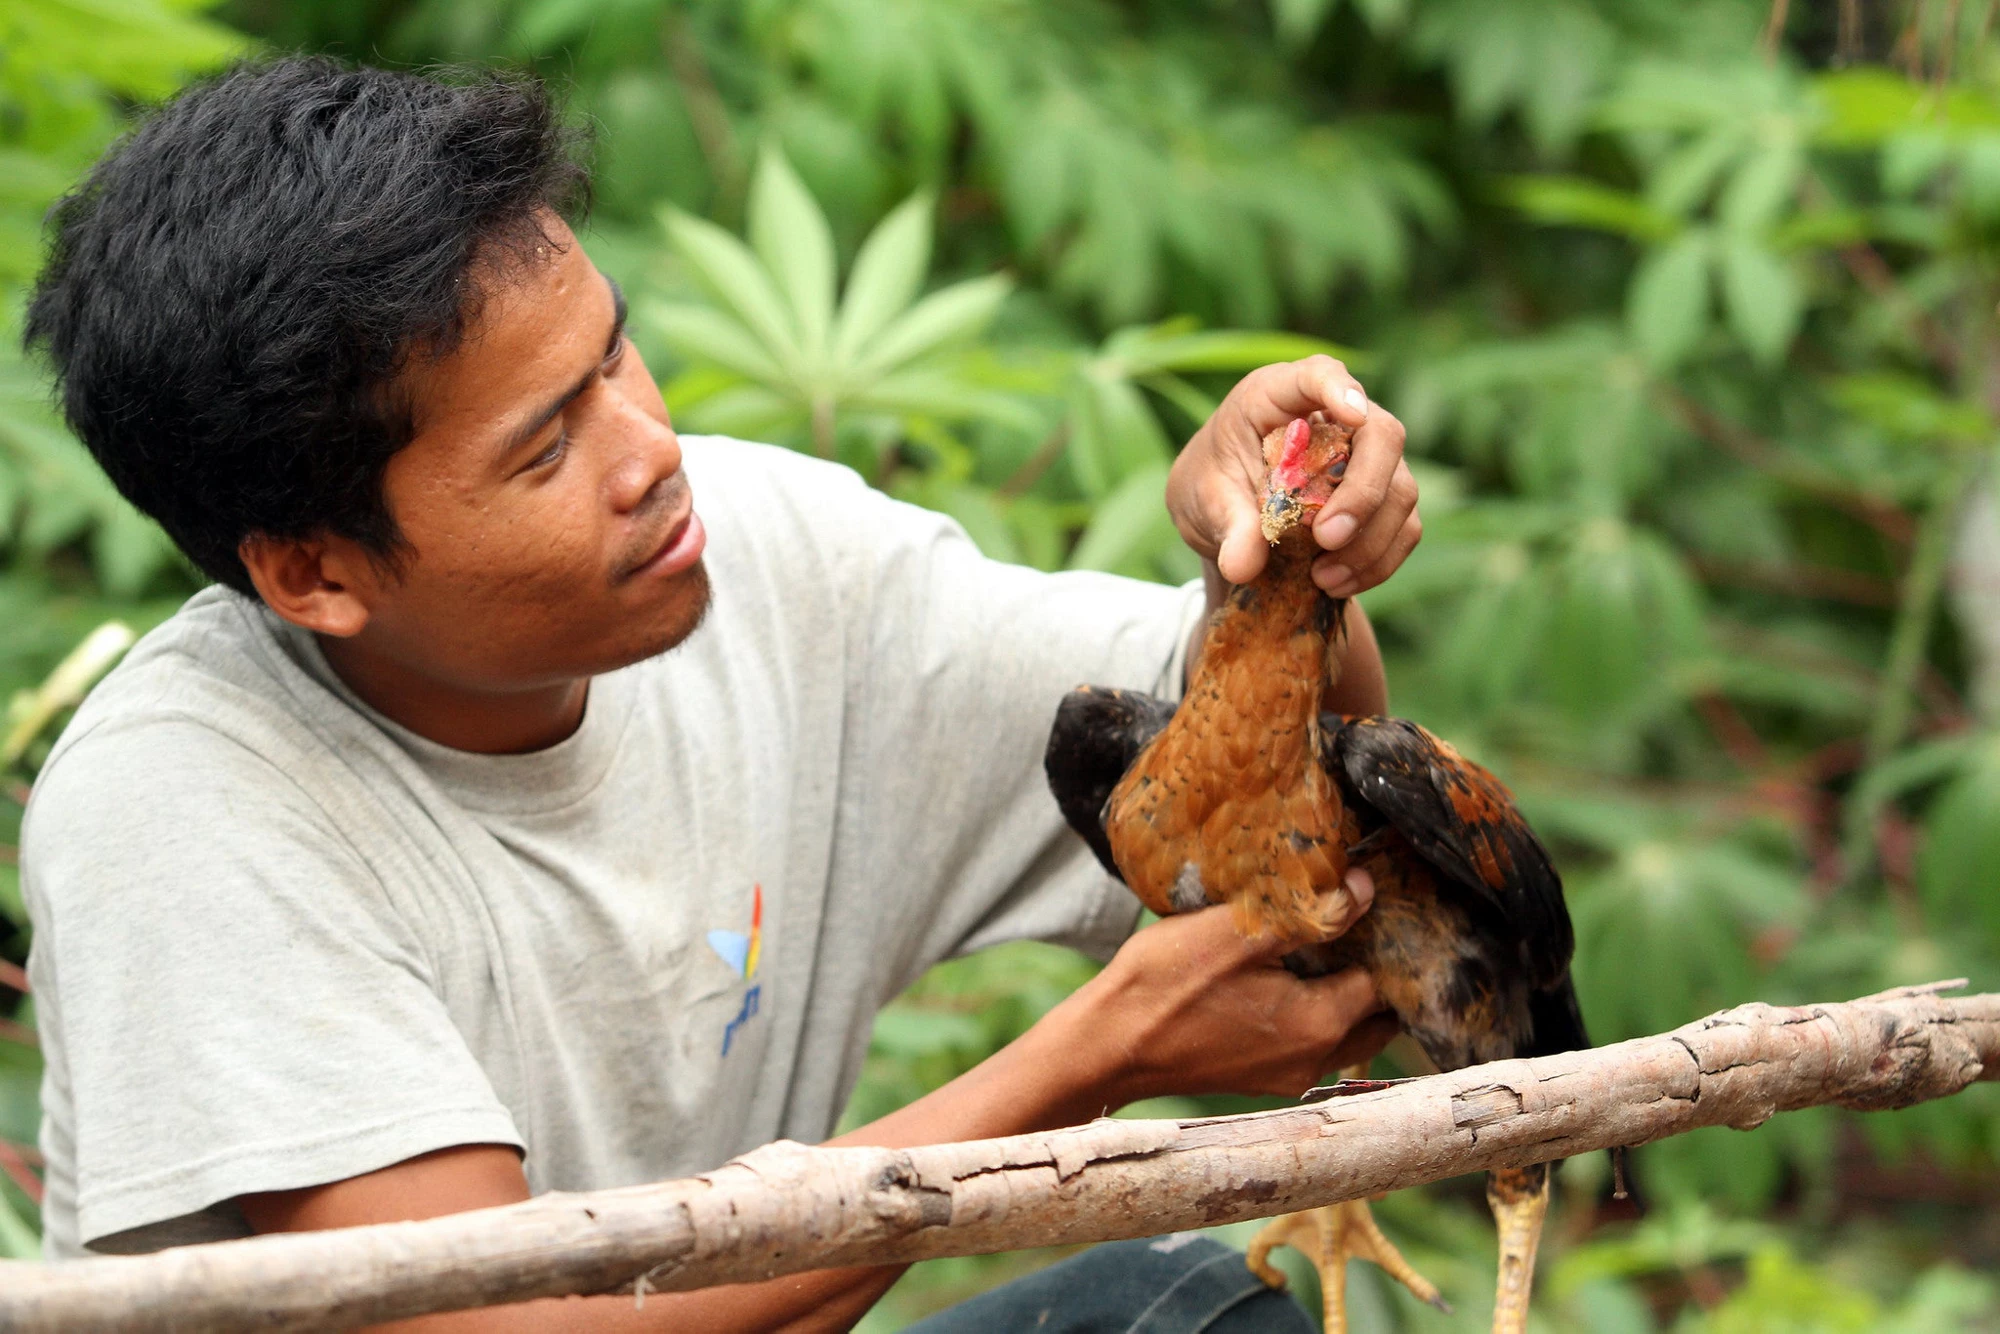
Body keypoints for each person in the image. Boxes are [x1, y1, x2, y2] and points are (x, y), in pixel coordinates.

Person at [19, 56, 1422, 1332]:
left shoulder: (768, 557)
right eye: (544, 445)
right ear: (316, 570)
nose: (652, 450)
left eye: (615, 352)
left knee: (1186, 1313)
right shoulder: (182, 804)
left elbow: (1312, 811)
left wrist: (1274, 578)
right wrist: (1097, 1056)